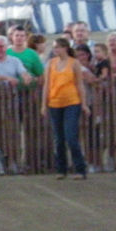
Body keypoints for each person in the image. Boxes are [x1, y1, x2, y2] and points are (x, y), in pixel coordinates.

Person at [41, 37, 90, 180]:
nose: (55, 50)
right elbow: (46, 85)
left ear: (65, 48)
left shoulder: (74, 63)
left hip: (72, 102)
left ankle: (80, 168)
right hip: (55, 102)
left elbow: (80, 84)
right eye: (54, 47)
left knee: (71, 136)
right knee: (58, 138)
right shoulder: (51, 63)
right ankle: (61, 169)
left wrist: (84, 103)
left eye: (58, 47)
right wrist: (43, 104)